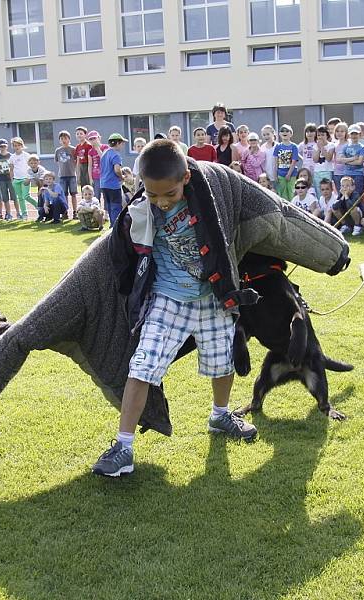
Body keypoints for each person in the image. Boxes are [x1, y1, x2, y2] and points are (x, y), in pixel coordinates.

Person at [91, 140, 257, 477]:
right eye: (153, 195)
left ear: (184, 178)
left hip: (212, 297)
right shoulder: (143, 208)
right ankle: (123, 446)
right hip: (168, 299)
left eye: (169, 194)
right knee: (142, 366)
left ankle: (220, 414)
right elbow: (124, 248)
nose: (162, 202)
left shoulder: (207, 194)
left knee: (222, 360)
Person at [100, 133, 127, 227]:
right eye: (122, 143)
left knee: (109, 206)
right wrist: (122, 177)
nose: (123, 145)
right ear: (118, 143)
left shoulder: (105, 153)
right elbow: (116, 169)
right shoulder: (116, 155)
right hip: (113, 185)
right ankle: (115, 228)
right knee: (116, 207)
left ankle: (112, 226)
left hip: (104, 184)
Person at [337, 124, 364, 200]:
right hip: (347, 173)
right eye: (352, 134)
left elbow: (359, 162)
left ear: (359, 134)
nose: (354, 136)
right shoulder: (345, 147)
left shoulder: (362, 147)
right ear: (349, 135)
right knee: (346, 193)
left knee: (357, 194)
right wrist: (353, 158)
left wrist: (346, 161)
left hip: (358, 174)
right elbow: (340, 159)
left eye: (356, 134)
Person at [54, 130, 78, 218]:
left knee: (73, 194)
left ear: (69, 139)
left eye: (65, 138)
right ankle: (65, 211)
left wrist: (74, 168)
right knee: (64, 195)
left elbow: (76, 160)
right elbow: (57, 161)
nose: (64, 140)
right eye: (62, 139)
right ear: (59, 140)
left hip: (72, 175)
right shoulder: (58, 150)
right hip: (62, 176)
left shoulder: (73, 149)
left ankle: (75, 212)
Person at [273, 124, 299, 201]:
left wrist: (289, 174)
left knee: (291, 192)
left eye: (287, 131)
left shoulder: (294, 146)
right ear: (279, 134)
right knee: (282, 193)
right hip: (280, 173)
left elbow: (294, 161)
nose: (285, 132)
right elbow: (275, 162)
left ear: (291, 134)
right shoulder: (278, 146)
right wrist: (275, 175)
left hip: (291, 174)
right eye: (282, 131)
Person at [9, 137, 32, 219]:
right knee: (20, 198)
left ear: (22, 145)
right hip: (16, 180)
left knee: (26, 196)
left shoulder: (26, 155)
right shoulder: (12, 157)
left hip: (25, 179)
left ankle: (38, 206)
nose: (17, 147)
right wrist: (12, 180)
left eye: (18, 145)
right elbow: (11, 169)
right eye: (15, 145)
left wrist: (29, 178)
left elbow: (31, 167)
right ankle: (24, 214)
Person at [0, 139, 15, 221]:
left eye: (4, 146)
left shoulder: (11, 156)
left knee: (14, 197)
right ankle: (8, 213)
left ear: (7, 146)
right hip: (2, 179)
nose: (3, 147)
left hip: (11, 179)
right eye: (1, 146)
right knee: (5, 197)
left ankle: (18, 213)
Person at [312, 124, 335, 196]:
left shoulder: (331, 145)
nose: (320, 137)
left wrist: (322, 147)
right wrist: (318, 148)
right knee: (319, 191)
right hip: (317, 172)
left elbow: (329, 158)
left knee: (327, 190)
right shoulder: (315, 146)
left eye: (322, 135)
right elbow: (315, 160)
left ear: (327, 135)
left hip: (327, 171)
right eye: (318, 135)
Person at [86, 130, 109, 200]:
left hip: (105, 175)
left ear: (99, 138)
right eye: (91, 139)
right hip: (96, 176)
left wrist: (97, 148)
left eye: (94, 138)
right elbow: (90, 165)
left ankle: (106, 210)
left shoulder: (105, 147)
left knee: (106, 194)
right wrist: (90, 178)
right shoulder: (90, 152)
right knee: (97, 195)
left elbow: (104, 159)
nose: (93, 141)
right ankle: (97, 209)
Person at [331, 122, 348, 191]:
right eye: (337, 131)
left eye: (342, 131)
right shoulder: (334, 145)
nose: (339, 133)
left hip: (346, 172)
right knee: (339, 192)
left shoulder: (348, 144)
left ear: (346, 133)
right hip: (337, 172)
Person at [75, 127, 93, 191]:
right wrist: (77, 172)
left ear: (85, 135)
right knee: (83, 185)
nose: (79, 135)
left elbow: (91, 158)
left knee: (89, 184)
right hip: (81, 166)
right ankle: (84, 199)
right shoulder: (78, 146)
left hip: (87, 165)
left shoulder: (88, 145)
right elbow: (78, 160)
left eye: (81, 133)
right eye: (77, 134)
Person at [261, 124, 278, 190]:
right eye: (264, 135)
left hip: (277, 176)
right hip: (267, 177)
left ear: (273, 133)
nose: (266, 136)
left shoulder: (278, 146)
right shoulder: (262, 147)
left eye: (268, 134)